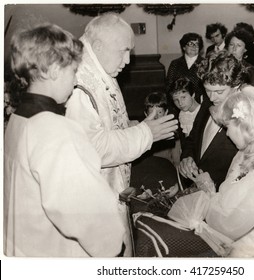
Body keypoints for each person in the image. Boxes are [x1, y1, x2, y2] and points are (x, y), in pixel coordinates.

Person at [4, 24, 126, 257]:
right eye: (73, 71)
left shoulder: (18, 120)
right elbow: (83, 210)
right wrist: (115, 248)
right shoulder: (55, 129)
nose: (75, 81)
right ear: (53, 71)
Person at [65, 13, 178, 256]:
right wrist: (145, 133)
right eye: (124, 51)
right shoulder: (78, 86)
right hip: (93, 203)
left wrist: (136, 125)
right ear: (97, 46)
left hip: (112, 190)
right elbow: (93, 149)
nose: (128, 60)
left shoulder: (100, 69)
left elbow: (106, 125)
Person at [174, 86, 254, 257]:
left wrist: (208, 191)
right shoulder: (243, 155)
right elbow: (227, 198)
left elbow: (228, 227)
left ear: (246, 127)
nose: (227, 134)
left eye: (227, 126)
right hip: (232, 248)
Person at [179, 50, 253, 191]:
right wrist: (187, 157)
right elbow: (193, 137)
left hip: (223, 193)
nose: (212, 98)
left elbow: (246, 169)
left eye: (219, 92)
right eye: (208, 90)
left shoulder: (245, 117)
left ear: (236, 86)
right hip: (197, 188)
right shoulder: (208, 101)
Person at [166, 32, 206, 104]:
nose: (194, 47)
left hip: (199, 103)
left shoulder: (205, 63)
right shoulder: (175, 63)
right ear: (184, 47)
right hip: (178, 103)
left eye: (197, 44)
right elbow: (169, 85)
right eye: (191, 44)